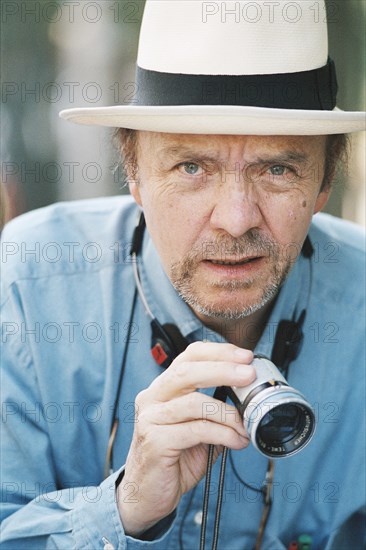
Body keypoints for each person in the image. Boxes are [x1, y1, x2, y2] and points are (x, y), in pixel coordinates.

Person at [1, 1, 365, 549]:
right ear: (136, 176)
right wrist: (124, 509)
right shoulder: (28, 282)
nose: (236, 219)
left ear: (323, 185)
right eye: (191, 167)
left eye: (277, 169)